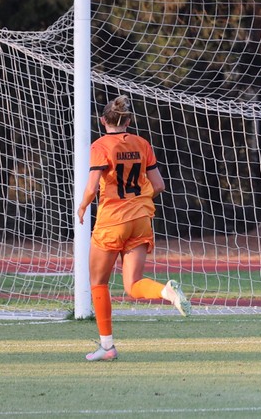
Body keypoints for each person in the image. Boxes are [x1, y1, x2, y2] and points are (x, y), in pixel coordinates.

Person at [76, 95, 190, 362]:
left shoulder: (101, 145)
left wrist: (82, 207)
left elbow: (93, 187)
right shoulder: (142, 144)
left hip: (112, 220)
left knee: (98, 282)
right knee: (133, 284)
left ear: (103, 121)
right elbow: (159, 185)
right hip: (141, 219)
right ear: (128, 121)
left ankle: (107, 346)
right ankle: (166, 292)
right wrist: (138, 202)